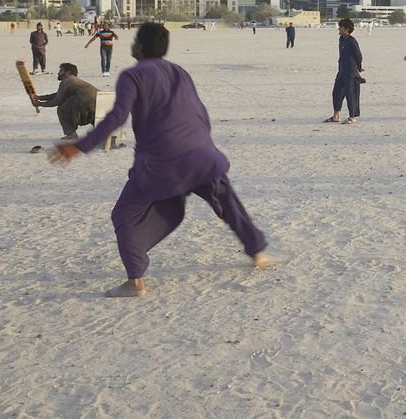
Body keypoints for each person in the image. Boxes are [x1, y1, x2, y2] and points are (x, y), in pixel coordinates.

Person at [48, 23, 269, 298]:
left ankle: (135, 281)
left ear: (139, 47)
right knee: (227, 203)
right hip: (203, 155)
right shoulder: (180, 72)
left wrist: (80, 147)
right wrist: (202, 144)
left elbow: (117, 117)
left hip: (162, 164)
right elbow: (200, 111)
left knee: (124, 214)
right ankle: (257, 252)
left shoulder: (132, 75)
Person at [33, 63, 98, 138]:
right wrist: (40, 98)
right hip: (100, 99)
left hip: (84, 100)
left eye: (61, 71)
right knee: (95, 117)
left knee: (62, 109)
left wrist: (40, 104)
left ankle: (71, 134)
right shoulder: (74, 81)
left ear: (68, 72)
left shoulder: (67, 81)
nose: (58, 73)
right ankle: (106, 135)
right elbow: (58, 94)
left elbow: (57, 101)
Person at [325, 18, 364, 123]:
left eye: (341, 27)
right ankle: (335, 115)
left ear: (347, 29)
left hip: (351, 72)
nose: (339, 29)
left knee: (351, 94)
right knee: (336, 93)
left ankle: (352, 117)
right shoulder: (341, 39)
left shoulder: (352, 41)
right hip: (341, 71)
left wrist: (358, 67)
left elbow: (359, 56)